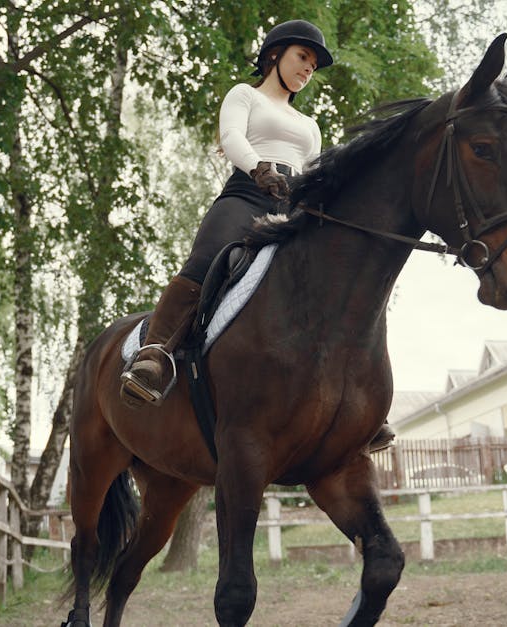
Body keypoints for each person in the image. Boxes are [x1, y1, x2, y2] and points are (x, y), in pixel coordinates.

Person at [119, 19, 396, 452]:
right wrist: (259, 169)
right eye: (303, 57)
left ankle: (356, 398)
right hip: (247, 194)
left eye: (313, 64)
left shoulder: (309, 124)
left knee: (341, 279)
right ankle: (153, 355)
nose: (309, 68)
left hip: (293, 205)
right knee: (208, 257)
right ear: (275, 54)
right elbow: (230, 136)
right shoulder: (244, 95)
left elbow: (314, 170)